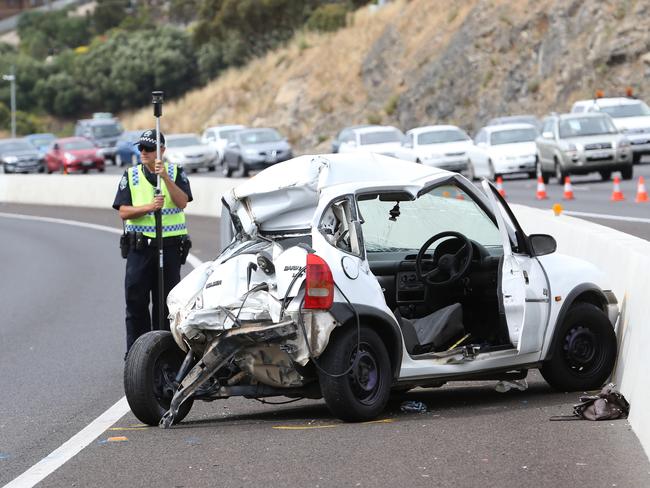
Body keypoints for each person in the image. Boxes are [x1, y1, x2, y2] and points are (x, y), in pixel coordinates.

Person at [112, 129, 193, 356]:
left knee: (166, 305)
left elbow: (182, 202)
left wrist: (165, 177)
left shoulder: (176, 173)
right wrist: (149, 207)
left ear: (162, 151)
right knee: (136, 303)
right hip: (140, 249)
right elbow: (124, 211)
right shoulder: (131, 175)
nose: (144, 153)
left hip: (169, 249)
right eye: (141, 149)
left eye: (149, 149)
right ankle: (137, 354)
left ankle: (167, 353)